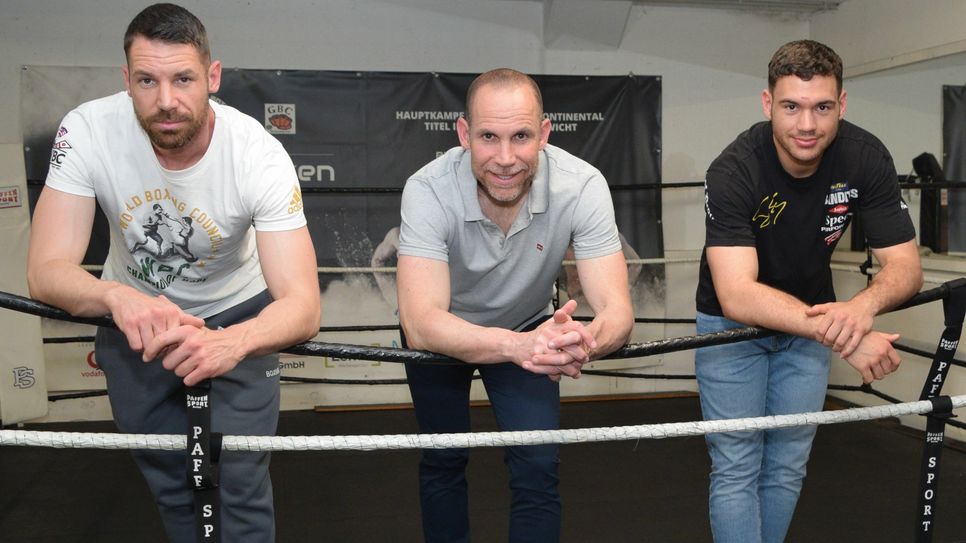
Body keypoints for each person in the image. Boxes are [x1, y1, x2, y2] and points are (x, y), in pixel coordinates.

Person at [26, 4, 321, 542]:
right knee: (171, 480)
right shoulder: (89, 129)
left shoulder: (257, 154)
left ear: (212, 76)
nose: (166, 101)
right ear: (127, 80)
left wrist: (234, 343)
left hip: (238, 314)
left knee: (241, 481)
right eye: (147, 80)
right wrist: (115, 296)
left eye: (183, 78)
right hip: (135, 317)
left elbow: (302, 304)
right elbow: (46, 270)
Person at [695, 40, 923, 543]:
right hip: (732, 330)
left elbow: (906, 267)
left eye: (822, 107)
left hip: (813, 325)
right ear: (766, 104)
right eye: (791, 107)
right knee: (737, 466)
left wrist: (860, 310)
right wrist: (843, 335)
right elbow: (737, 293)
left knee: (786, 466)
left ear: (841, 105)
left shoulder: (864, 156)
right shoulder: (733, 170)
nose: (806, 125)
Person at [396, 68, 634, 543]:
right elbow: (422, 323)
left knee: (538, 465)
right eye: (488, 137)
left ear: (544, 134)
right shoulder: (427, 190)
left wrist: (581, 340)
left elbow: (617, 311)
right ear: (465, 134)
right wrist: (519, 347)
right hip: (447, 334)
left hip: (530, 328)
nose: (505, 159)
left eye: (521, 136)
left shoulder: (582, 186)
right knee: (444, 458)